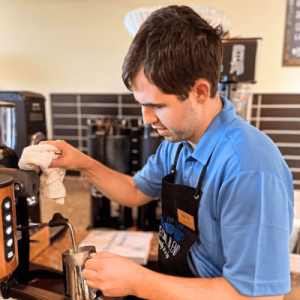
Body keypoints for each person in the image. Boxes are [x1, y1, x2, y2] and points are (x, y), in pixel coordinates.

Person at [42, 5, 294, 300]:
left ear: (200, 91)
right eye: (142, 104)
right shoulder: (178, 143)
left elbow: (261, 297)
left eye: (158, 106)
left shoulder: (249, 168)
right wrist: (81, 162)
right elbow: (135, 191)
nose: (147, 119)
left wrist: (138, 281)